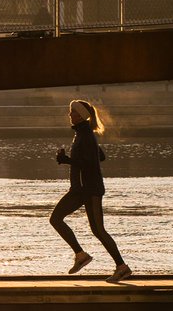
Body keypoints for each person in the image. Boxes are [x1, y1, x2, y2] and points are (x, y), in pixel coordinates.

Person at [50, 99, 132, 283]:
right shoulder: (83, 134)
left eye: (73, 112)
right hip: (81, 189)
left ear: (80, 115)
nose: (69, 114)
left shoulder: (85, 135)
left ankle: (122, 267)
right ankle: (81, 255)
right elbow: (99, 156)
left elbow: (89, 163)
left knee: (98, 230)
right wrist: (72, 159)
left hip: (90, 190)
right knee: (57, 219)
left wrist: (66, 160)